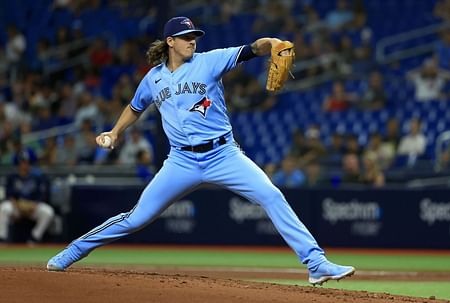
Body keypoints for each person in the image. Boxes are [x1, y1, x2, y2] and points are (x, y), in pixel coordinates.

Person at [46, 16, 355, 285]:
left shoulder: (210, 60)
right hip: (181, 160)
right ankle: (74, 250)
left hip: (224, 155)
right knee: (135, 218)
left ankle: (315, 264)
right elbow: (135, 106)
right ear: (170, 41)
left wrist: (271, 42)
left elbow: (252, 49)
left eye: (195, 36)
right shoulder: (153, 78)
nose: (193, 41)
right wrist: (114, 132)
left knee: (272, 195)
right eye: (186, 37)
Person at [0, 152, 54, 243]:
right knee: (4, 208)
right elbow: (9, 195)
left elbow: (41, 196)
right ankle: (2, 238)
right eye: (22, 162)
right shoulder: (12, 178)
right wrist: (18, 207)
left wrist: (32, 206)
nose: (24, 165)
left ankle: (34, 238)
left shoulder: (37, 178)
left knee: (48, 212)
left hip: (32, 208)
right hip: (16, 207)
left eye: (26, 162)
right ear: (18, 164)